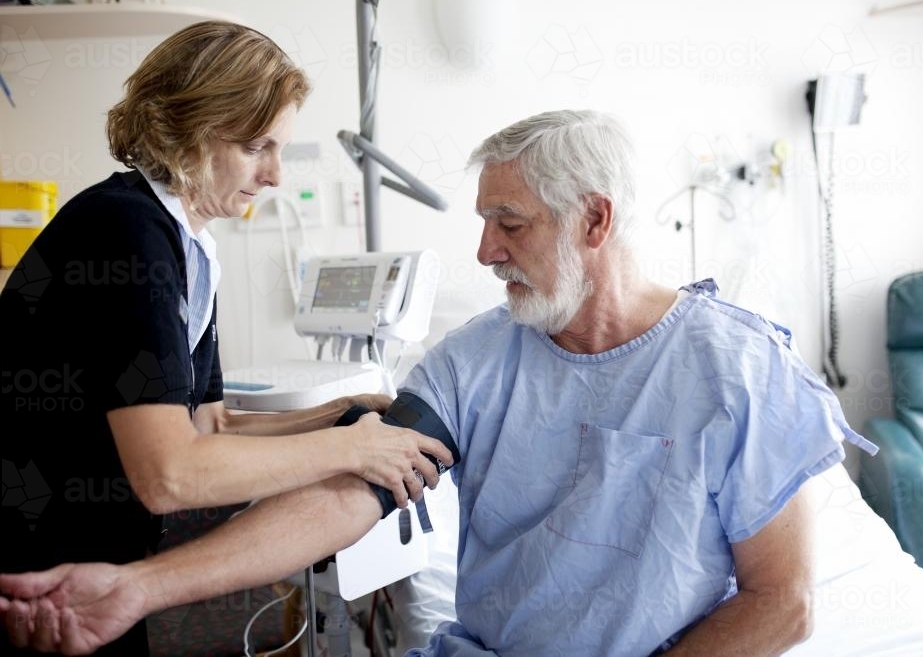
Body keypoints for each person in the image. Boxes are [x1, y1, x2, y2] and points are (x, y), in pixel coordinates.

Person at [0, 110, 876, 656]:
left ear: (597, 219)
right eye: (484, 222)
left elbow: (784, 602)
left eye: (511, 223)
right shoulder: (478, 358)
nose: (486, 251)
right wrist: (141, 588)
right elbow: (350, 493)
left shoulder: (739, 367)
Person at [0, 21, 451, 656]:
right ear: (184, 127)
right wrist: (351, 453)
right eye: (254, 146)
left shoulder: (191, 249)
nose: (272, 174)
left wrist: (341, 419)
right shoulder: (124, 233)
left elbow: (207, 426)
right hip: (38, 571)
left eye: (279, 148)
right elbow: (170, 474)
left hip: (97, 560)